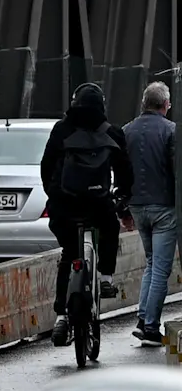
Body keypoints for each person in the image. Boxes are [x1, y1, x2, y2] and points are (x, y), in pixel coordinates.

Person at [40, 80, 133, 347]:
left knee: (69, 254)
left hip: (65, 205)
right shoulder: (111, 132)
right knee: (110, 229)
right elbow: (125, 170)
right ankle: (105, 277)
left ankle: (61, 315)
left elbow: (47, 166)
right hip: (98, 203)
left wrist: (53, 194)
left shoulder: (62, 130)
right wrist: (122, 196)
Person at [124, 79, 178, 345]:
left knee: (151, 263)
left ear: (144, 103)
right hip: (164, 207)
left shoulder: (126, 131)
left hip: (136, 205)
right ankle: (151, 327)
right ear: (166, 104)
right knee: (160, 269)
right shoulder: (171, 131)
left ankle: (142, 317)